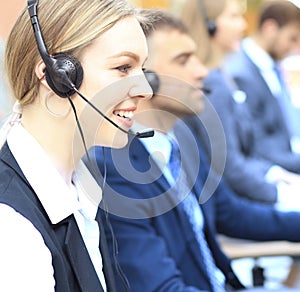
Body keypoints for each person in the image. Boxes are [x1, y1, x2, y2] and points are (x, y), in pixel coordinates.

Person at [90, 9, 300, 291]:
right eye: (183, 60)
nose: (202, 71)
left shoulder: (182, 143)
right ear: (144, 79)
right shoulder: (116, 171)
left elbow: (232, 214)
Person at [0, 0, 152, 291]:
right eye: (123, 67)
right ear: (57, 76)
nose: (145, 89)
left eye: (142, 68)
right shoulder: (11, 229)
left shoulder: (80, 187)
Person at [181, 0, 300, 207]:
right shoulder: (211, 82)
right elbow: (230, 165)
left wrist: (272, 172)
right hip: (236, 205)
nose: (244, 26)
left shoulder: (222, 76)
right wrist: (280, 193)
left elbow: (244, 152)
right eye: (234, 17)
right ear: (210, 25)